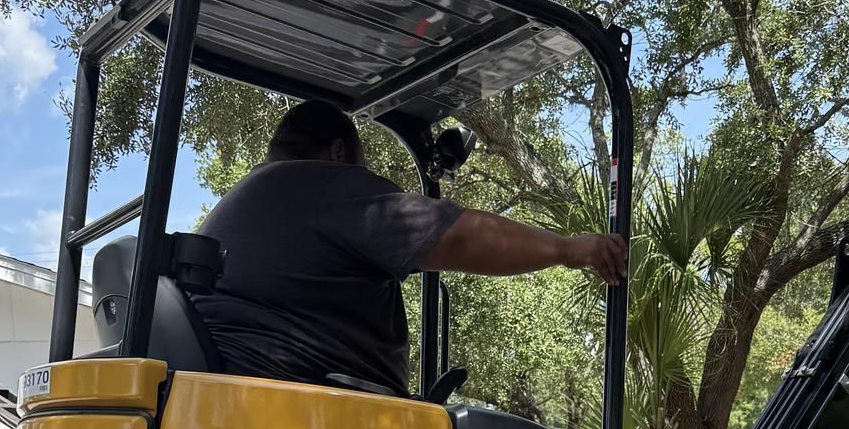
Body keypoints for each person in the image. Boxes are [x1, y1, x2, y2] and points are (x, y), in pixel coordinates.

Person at [193, 99, 628, 394]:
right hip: (310, 420)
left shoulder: (243, 202)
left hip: (253, 402)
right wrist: (570, 250)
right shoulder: (325, 187)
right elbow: (458, 236)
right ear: (338, 150)